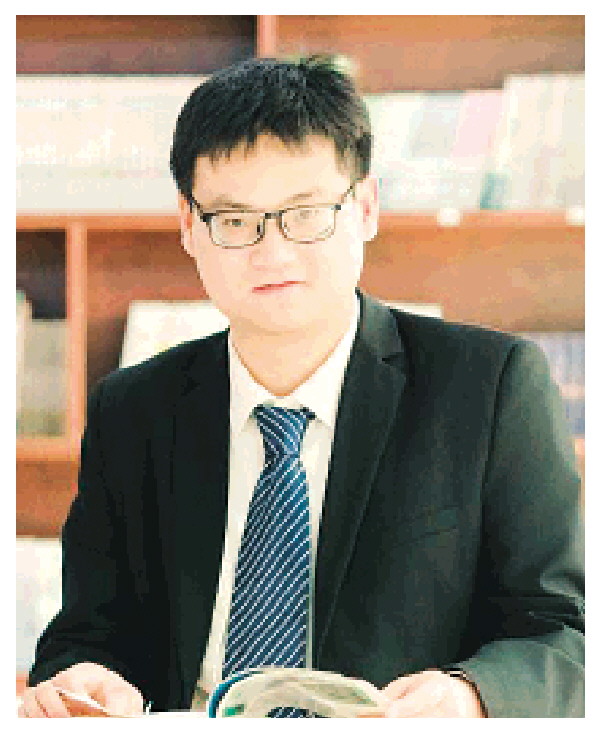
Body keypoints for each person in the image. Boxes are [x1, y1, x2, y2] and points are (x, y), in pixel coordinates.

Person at [20, 56, 584, 718]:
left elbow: (563, 634)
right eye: (235, 221)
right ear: (188, 226)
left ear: (366, 207)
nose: (274, 253)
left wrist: (470, 695)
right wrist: (90, 680)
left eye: (306, 213)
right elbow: (87, 634)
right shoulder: (132, 410)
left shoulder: (489, 388)